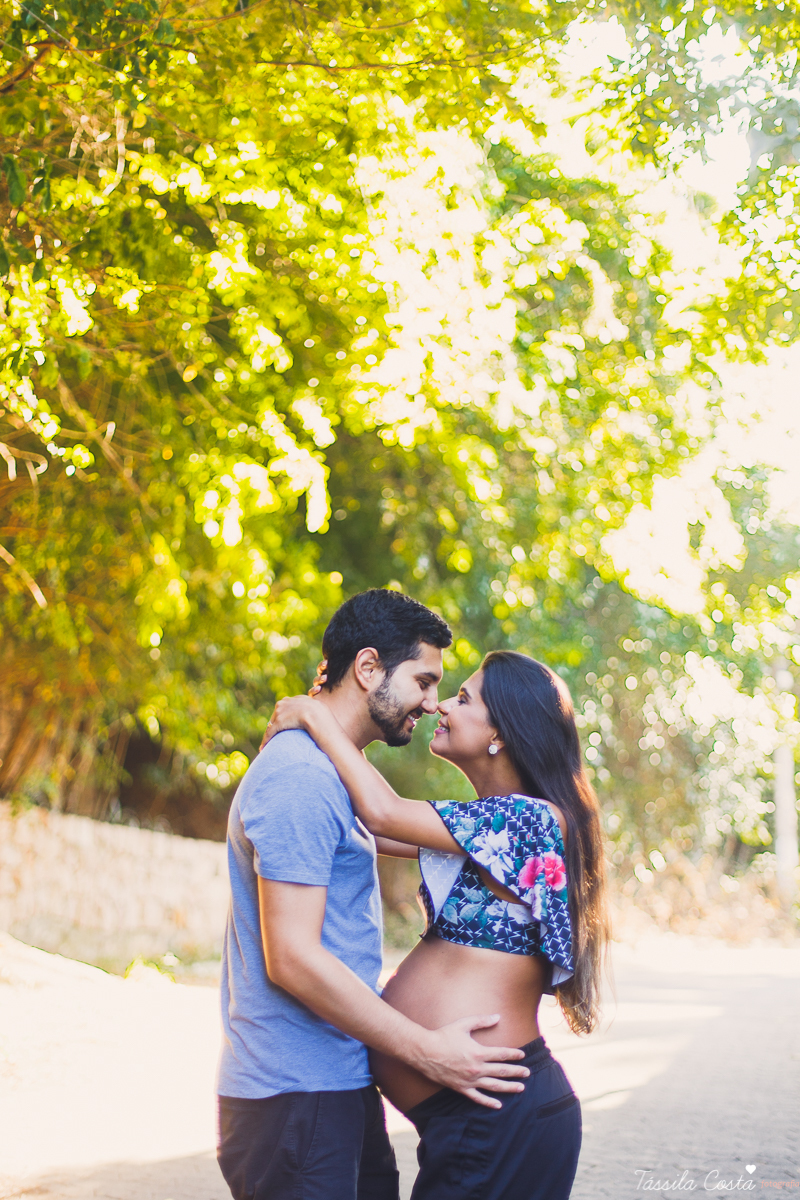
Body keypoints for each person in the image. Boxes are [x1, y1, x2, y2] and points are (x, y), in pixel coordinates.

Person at [216, 589, 530, 1200]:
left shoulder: (331, 774)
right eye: (424, 680)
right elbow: (294, 959)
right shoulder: (301, 777)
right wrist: (427, 1052)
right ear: (367, 669)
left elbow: (404, 826)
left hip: (332, 1087)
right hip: (293, 1099)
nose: (433, 704)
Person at [264, 648, 610, 1200]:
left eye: (464, 698)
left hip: (500, 1123)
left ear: (502, 733)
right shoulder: (483, 828)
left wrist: (315, 717)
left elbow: (381, 812)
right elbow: (360, 827)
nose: (442, 704)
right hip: (474, 1123)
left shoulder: (528, 819)